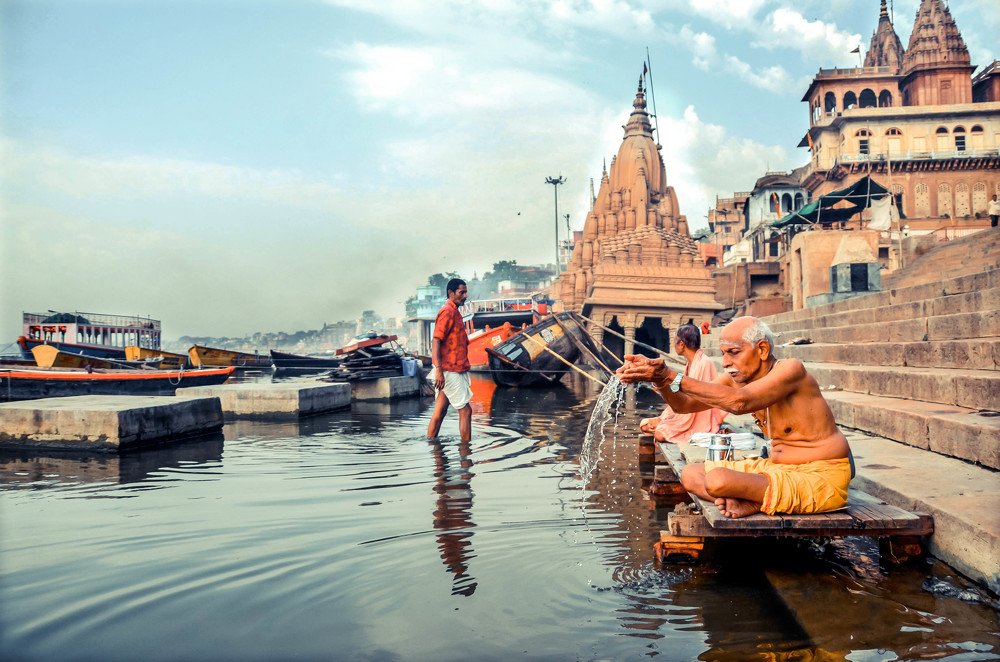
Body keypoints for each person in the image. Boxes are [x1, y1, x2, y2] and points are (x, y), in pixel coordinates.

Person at [617, 316, 852, 519]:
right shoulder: (736, 378)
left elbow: (740, 402)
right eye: (723, 354)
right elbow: (683, 406)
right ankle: (750, 500)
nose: (726, 362)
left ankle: (752, 500)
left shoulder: (791, 369)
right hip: (775, 469)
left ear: (762, 350)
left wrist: (669, 375)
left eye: (734, 352)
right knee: (691, 474)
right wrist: (660, 380)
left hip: (821, 476)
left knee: (718, 480)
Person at [638, 324, 726, 443]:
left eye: (675, 341)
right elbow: (677, 388)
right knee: (644, 425)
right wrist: (661, 387)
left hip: (699, 417)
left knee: (659, 433)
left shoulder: (704, 363)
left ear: (681, 344)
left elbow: (699, 397)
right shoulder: (690, 363)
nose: (673, 345)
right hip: (685, 411)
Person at [427, 278, 473, 442]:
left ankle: (432, 446)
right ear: (451, 293)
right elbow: (436, 340)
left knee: (439, 412)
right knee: (466, 411)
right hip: (449, 371)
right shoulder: (448, 311)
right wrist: (439, 370)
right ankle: (466, 453)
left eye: (466, 292)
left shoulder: (455, 311)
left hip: (452, 369)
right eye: (462, 292)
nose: (465, 296)